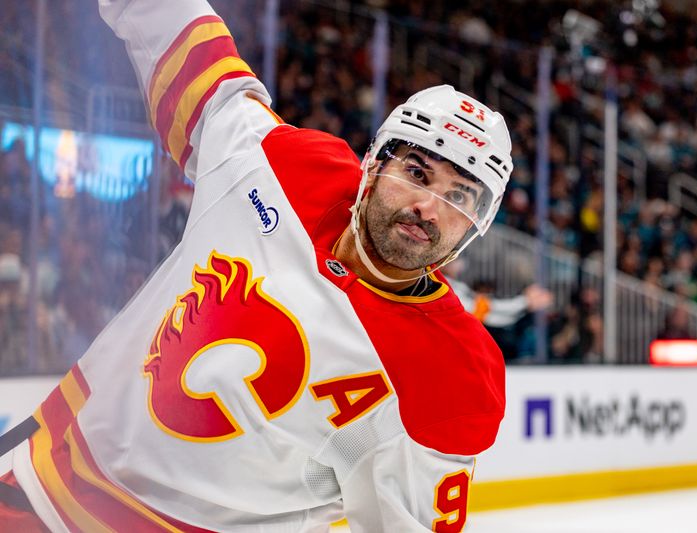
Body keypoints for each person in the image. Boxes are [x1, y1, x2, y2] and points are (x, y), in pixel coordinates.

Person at [0, 0, 514, 531]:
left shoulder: (453, 376)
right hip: (38, 482)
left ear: (478, 223)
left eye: (461, 197)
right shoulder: (282, 167)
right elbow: (180, 35)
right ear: (376, 163)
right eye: (417, 172)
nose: (429, 207)